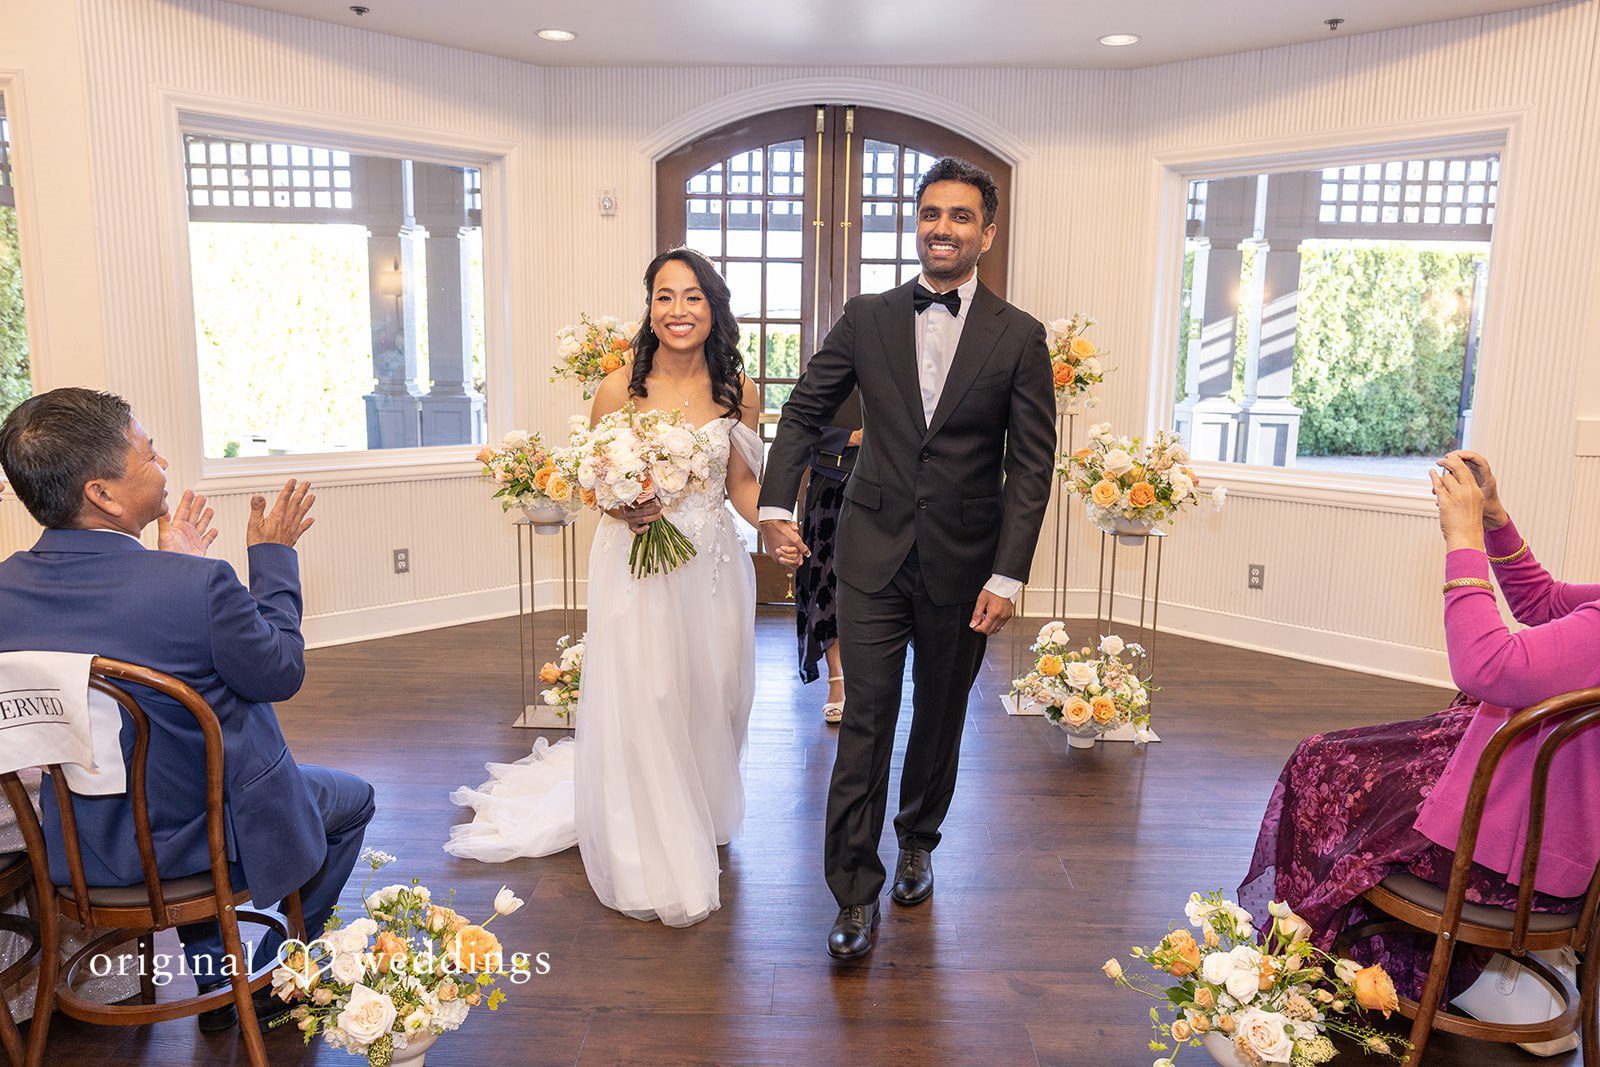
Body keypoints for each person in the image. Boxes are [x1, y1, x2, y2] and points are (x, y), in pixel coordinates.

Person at [0, 388, 374, 1032]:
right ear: (103, 493)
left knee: (176, 781)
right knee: (354, 800)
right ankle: (270, 978)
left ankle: (214, 982)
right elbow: (280, 671)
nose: (163, 463)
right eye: (148, 454)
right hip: (198, 844)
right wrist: (273, 558)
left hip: (73, 850)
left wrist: (175, 570)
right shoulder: (194, 588)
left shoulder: (6, 589)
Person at [759, 157, 1056, 960]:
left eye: (961, 216)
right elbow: (804, 408)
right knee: (867, 717)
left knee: (940, 712)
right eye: (931, 213)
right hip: (872, 550)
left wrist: (1008, 571)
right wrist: (776, 503)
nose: (943, 228)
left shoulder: (1021, 335)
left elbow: (1031, 465)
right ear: (916, 223)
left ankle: (919, 835)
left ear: (986, 234)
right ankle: (853, 889)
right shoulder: (867, 316)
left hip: (967, 563)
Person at [447, 248, 763, 928]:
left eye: (693, 297)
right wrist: (622, 503)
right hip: (638, 563)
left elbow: (740, 486)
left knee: (713, 692)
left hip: (711, 565)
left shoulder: (740, 390)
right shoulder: (619, 388)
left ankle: (700, 805)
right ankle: (648, 838)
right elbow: (597, 484)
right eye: (664, 297)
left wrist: (783, 523)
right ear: (649, 307)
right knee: (647, 693)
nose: (678, 310)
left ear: (714, 307)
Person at [1240, 450, 1595, 1000]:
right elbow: (1543, 601)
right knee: (1339, 760)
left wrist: (1464, 541)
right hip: (1548, 802)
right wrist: (1496, 519)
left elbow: (1486, 666)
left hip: (1525, 853)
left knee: (1320, 765)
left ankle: (1320, 970)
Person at [795, 390, 861, 723]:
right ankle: (837, 679)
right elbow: (799, 426)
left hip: (889, 490)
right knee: (825, 582)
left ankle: (866, 679)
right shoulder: (828, 371)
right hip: (829, 491)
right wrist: (850, 437)